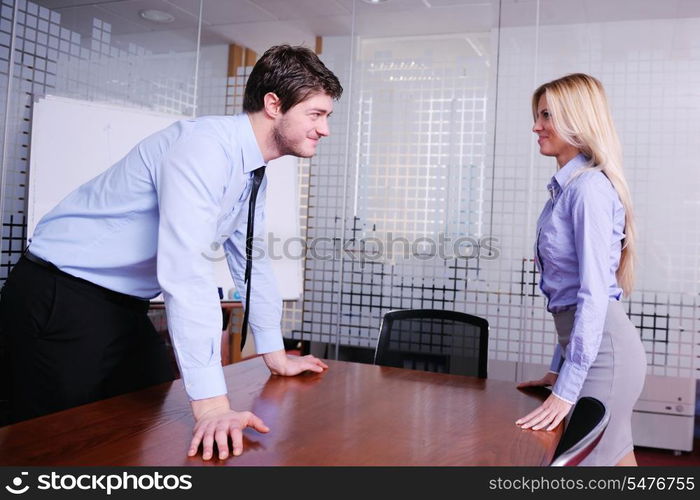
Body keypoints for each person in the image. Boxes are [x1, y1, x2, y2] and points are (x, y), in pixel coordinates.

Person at [0, 44, 341, 460]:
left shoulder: (252, 172)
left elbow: (251, 260)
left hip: (122, 306)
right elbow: (186, 270)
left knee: (153, 415)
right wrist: (214, 407)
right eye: (316, 114)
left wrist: (274, 354)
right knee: (49, 446)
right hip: (58, 294)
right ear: (274, 104)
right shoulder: (203, 148)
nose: (324, 129)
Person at [515, 73, 647, 466]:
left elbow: (593, 295)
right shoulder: (567, 189)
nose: (536, 126)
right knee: (616, 462)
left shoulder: (587, 188)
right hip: (594, 352)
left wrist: (567, 388)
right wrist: (558, 370)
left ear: (577, 120)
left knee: (572, 468)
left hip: (605, 360)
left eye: (546, 116)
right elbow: (570, 299)